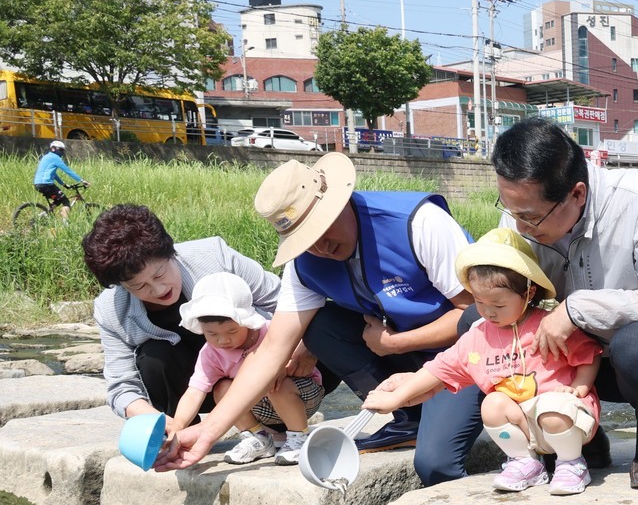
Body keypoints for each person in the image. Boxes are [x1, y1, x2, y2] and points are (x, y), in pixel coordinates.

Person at [156, 152, 481, 484]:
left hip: (465, 357)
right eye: (306, 241)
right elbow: (271, 352)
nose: (321, 247)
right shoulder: (303, 266)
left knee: (434, 463)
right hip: (398, 351)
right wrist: (208, 431)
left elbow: (476, 315)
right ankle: (411, 417)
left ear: (341, 202)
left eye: (322, 229)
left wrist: (397, 343)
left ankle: (443, 415)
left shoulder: (418, 223)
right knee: (321, 326)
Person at [490, 116, 638, 488]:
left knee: (637, 345)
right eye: (511, 211)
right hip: (585, 364)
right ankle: (574, 442)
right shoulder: (523, 216)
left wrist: (576, 309)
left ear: (577, 194)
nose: (519, 227)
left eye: (530, 218)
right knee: (485, 323)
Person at [364, 229, 602, 496]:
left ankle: (572, 463)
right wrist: (397, 397)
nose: (488, 312)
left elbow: (588, 355)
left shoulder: (549, 326)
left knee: (552, 407)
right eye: (479, 301)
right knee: (492, 403)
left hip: (563, 415)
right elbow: (438, 369)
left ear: (528, 292)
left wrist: (580, 388)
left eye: (498, 305)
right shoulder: (478, 335)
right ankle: (524, 462)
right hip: (521, 420)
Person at [83, 205, 284, 423]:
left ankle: (277, 424)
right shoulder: (111, 310)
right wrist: (153, 419)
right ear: (122, 286)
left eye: (160, 274)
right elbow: (121, 387)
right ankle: (181, 434)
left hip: (261, 376)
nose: (158, 290)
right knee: (153, 356)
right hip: (192, 389)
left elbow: (284, 302)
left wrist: (285, 359)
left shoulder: (215, 258)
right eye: (139, 286)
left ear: (171, 252)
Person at [171, 273, 325, 465]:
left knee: (274, 383)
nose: (223, 340)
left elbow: (302, 347)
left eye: (232, 331)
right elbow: (195, 391)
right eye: (212, 334)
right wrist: (177, 426)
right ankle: (257, 438)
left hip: (300, 396)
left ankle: (299, 437)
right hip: (258, 406)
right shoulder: (211, 353)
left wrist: (284, 367)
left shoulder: (270, 331)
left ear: (246, 320)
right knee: (222, 389)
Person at [33, 140, 88, 222]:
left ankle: (45, 214)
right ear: (54, 149)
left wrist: (63, 184)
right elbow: (68, 171)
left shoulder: (47, 157)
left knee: (58, 199)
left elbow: (53, 174)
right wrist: (81, 180)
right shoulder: (55, 158)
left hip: (38, 184)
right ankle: (65, 225)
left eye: (63, 150)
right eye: (61, 150)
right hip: (46, 184)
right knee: (65, 201)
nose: (62, 152)